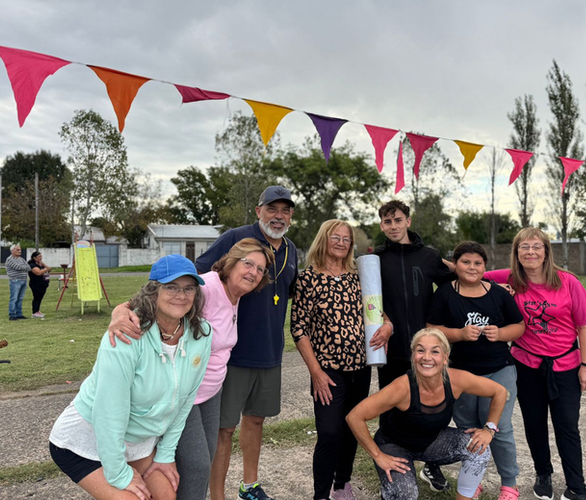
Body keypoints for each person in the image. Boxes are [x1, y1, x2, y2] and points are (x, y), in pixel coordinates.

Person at [108, 238, 274, 500]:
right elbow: (149, 301)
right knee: (196, 464)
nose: (253, 272)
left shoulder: (236, 295)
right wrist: (119, 313)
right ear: (231, 263)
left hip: (211, 392)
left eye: (260, 269)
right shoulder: (207, 286)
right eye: (248, 264)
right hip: (185, 393)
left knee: (203, 461)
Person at [48, 254, 212, 500]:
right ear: (153, 291)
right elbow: (108, 411)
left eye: (189, 288)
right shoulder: (127, 335)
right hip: (87, 437)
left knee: (166, 494)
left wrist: (166, 454)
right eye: (171, 287)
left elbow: (185, 400)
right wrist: (119, 475)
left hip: (137, 440)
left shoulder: (202, 334)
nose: (181, 295)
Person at [198, 186, 298, 500]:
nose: (278, 216)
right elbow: (200, 272)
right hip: (232, 353)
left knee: (255, 420)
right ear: (259, 211)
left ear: (291, 216)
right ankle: (217, 495)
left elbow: (291, 290)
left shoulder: (291, 249)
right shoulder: (237, 239)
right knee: (223, 429)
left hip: (270, 351)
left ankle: (249, 485)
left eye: (285, 211)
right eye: (272, 209)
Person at [484, 228, 586, 500]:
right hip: (526, 366)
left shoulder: (568, 282)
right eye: (524, 247)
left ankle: (576, 486)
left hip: (565, 366)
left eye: (536, 246)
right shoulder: (510, 278)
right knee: (534, 424)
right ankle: (543, 474)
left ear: (546, 251)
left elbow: (585, 327)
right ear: (517, 253)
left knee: (567, 426)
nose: (531, 252)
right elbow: (470, 272)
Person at [291, 219, 391, 500]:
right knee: (329, 433)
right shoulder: (308, 278)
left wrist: (388, 325)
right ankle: (320, 495)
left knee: (351, 427)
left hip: (360, 368)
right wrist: (315, 372)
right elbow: (298, 327)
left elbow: (375, 309)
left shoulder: (357, 275)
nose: (341, 243)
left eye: (346, 239)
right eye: (335, 237)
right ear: (323, 239)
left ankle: (341, 484)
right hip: (328, 370)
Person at [346, 328, 508, 500]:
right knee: (406, 494)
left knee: (479, 448)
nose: (427, 357)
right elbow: (355, 417)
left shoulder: (456, 380)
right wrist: (378, 455)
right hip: (395, 446)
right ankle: (391, 491)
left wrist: (489, 428)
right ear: (413, 356)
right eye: (420, 350)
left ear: (445, 358)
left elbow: (499, 392)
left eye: (435, 351)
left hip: (431, 441)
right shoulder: (401, 388)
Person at [427, 241, 525, 500]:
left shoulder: (498, 293)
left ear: (485, 266)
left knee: (498, 427)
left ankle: (509, 484)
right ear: (455, 265)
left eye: (477, 263)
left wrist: (501, 333)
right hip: (461, 373)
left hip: (498, 369)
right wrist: (458, 333)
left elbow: (519, 326)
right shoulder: (445, 293)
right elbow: (432, 328)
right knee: (468, 430)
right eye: (465, 262)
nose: (471, 267)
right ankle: (474, 479)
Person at [373, 200, 455, 492]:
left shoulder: (429, 256)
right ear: (381, 225)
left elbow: (461, 278)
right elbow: (369, 299)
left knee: (434, 408)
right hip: (392, 349)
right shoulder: (376, 259)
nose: (392, 226)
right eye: (386, 222)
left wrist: (496, 282)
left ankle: (431, 465)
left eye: (397, 220)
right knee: (393, 410)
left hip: (429, 352)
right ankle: (391, 469)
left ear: (408, 221)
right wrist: (383, 319)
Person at [5, 243, 30, 321]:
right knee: (14, 298)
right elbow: (18, 267)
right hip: (15, 280)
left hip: (24, 280)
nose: (19, 251)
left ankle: (19, 314)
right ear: (12, 251)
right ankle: (12, 314)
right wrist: (24, 267)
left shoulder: (21, 259)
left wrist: (24, 268)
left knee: (20, 298)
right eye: (17, 250)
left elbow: (29, 267)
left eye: (20, 250)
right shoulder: (10, 259)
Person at [28, 251, 52, 318]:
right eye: (39, 257)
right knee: (36, 297)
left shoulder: (41, 265)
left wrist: (43, 264)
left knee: (40, 298)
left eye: (41, 256)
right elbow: (38, 272)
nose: (40, 258)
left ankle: (38, 310)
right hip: (36, 283)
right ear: (34, 258)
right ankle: (34, 312)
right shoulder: (32, 265)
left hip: (43, 283)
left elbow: (49, 269)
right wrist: (45, 269)